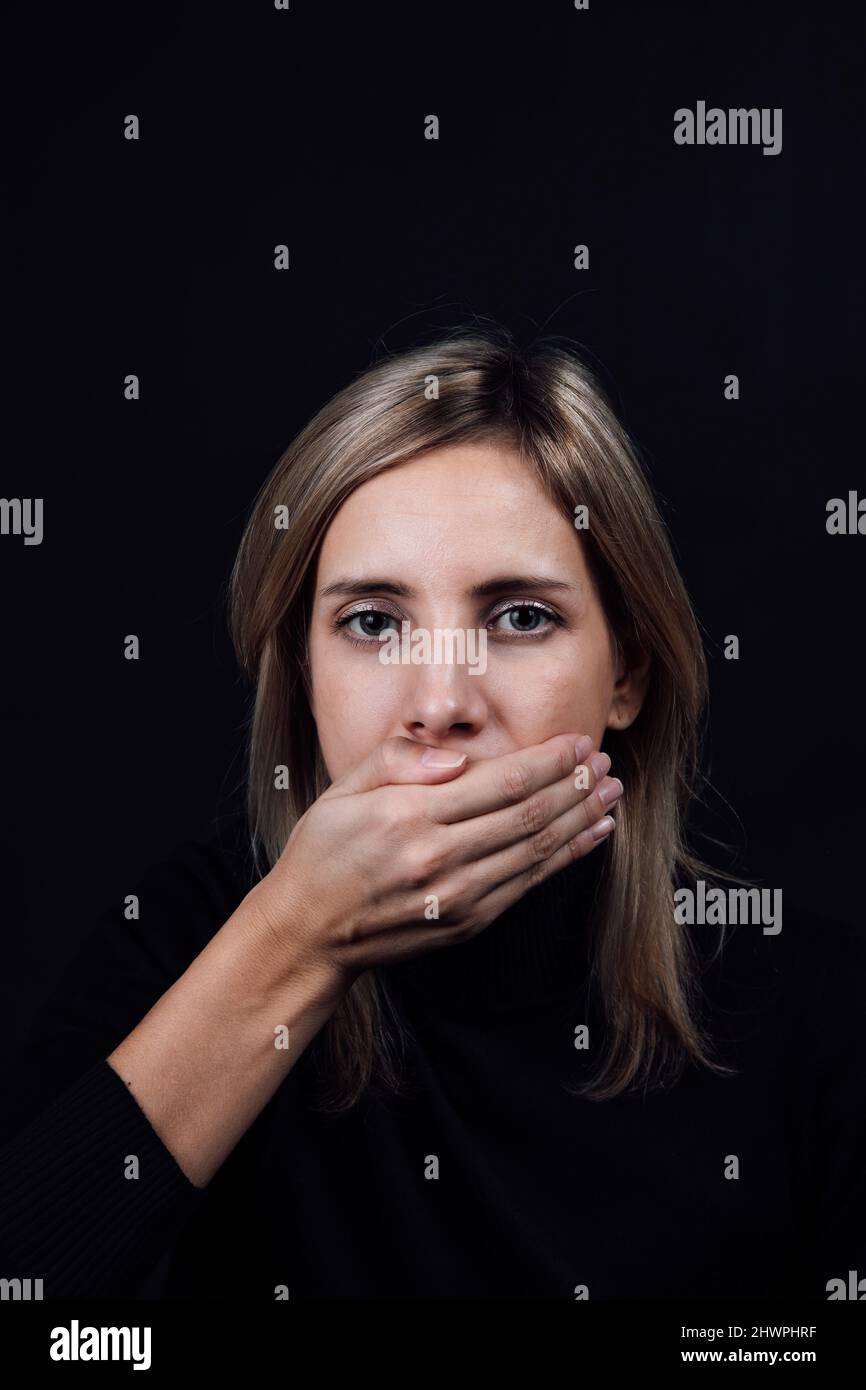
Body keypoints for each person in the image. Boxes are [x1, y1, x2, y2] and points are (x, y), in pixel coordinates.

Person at [1, 327, 864, 1300]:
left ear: (624, 672)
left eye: (519, 616)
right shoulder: (183, 938)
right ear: (303, 675)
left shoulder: (808, 1007)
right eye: (372, 622)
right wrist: (297, 939)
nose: (440, 702)